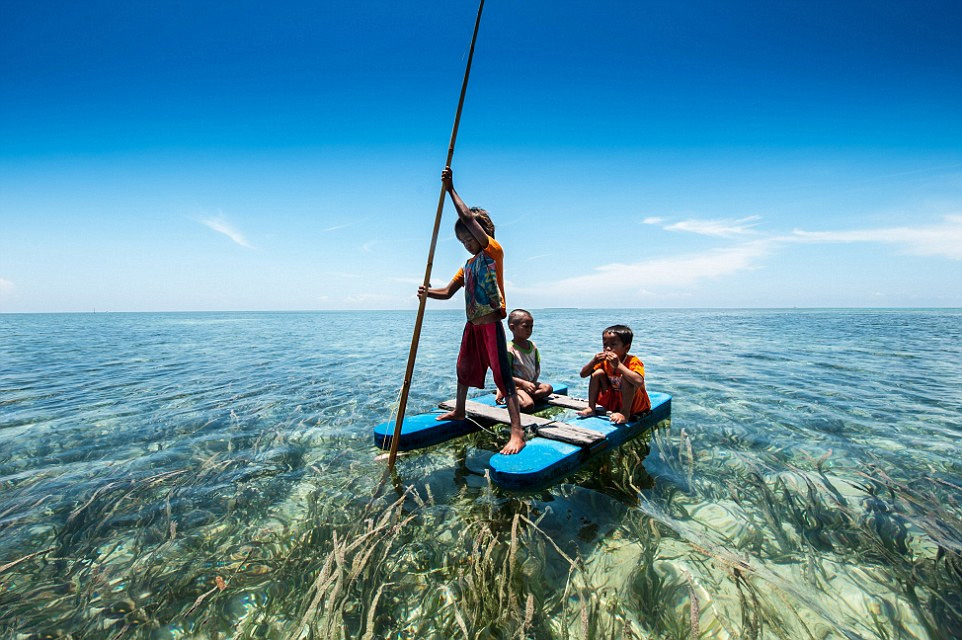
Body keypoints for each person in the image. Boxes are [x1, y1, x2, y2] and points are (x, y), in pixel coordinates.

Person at [418, 167, 526, 454]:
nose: (467, 246)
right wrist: (426, 293)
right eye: (463, 243)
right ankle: (460, 410)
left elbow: (467, 217)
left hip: (490, 324)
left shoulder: (493, 251)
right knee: (463, 369)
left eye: (469, 240)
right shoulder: (467, 266)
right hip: (472, 326)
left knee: (503, 376)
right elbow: (446, 292)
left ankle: (517, 432)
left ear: (483, 233)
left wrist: (451, 188)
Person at [577, 324, 651, 424]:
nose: (608, 348)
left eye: (613, 345)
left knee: (626, 378)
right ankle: (591, 408)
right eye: (605, 345)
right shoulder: (604, 362)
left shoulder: (633, 361)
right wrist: (593, 361)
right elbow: (583, 374)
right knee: (597, 373)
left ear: (626, 348)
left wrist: (619, 366)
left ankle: (625, 414)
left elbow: (638, 381)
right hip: (613, 401)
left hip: (634, 405)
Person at [496, 309, 553, 411]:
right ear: (512, 327)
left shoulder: (532, 346)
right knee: (528, 405)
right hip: (516, 386)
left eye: (531, 327)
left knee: (548, 388)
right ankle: (510, 395)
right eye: (525, 326)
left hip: (530, 383)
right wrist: (523, 384)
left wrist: (533, 380)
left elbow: (537, 365)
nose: (529, 330)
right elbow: (505, 374)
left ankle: (525, 396)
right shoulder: (509, 349)